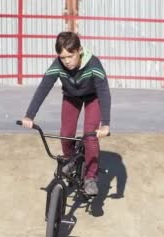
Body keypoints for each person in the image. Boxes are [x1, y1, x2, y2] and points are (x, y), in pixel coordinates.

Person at [21, 31, 111, 195]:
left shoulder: (94, 65)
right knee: (65, 133)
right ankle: (71, 160)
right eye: (63, 57)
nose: (67, 61)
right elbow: (43, 88)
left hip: (93, 98)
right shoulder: (57, 65)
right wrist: (29, 115)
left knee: (90, 135)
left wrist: (105, 124)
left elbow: (104, 93)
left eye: (71, 56)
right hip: (71, 97)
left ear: (79, 50)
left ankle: (91, 178)